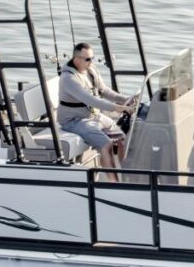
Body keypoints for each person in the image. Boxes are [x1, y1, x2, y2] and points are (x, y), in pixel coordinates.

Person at [57, 42, 137, 172]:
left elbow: (104, 91)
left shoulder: (91, 70)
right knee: (106, 144)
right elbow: (90, 100)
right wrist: (117, 108)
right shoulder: (68, 78)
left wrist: (125, 99)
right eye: (87, 59)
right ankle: (110, 179)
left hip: (92, 116)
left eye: (92, 58)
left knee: (122, 138)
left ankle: (124, 172)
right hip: (73, 121)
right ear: (76, 59)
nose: (91, 62)